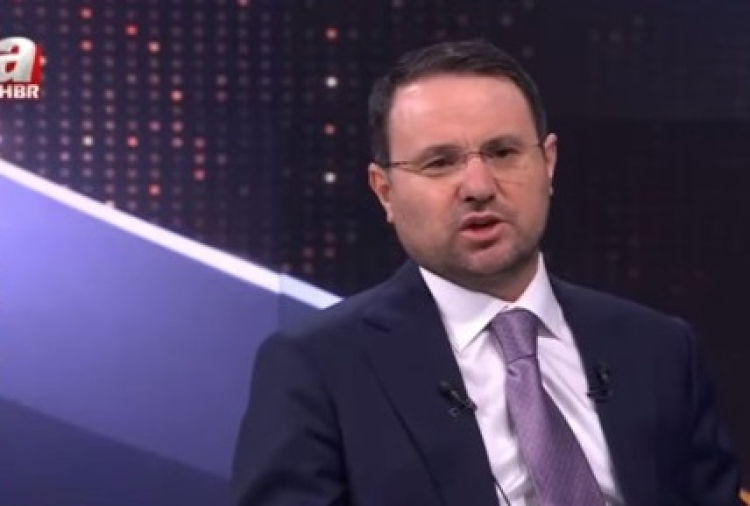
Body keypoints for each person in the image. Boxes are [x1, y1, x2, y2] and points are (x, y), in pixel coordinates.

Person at [231, 39, 743, 506]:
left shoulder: (660, 350)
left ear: (548, 163)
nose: (478, 186)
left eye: (502, 152)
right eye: (439, 162)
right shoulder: (318, 368)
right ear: (384, 191)